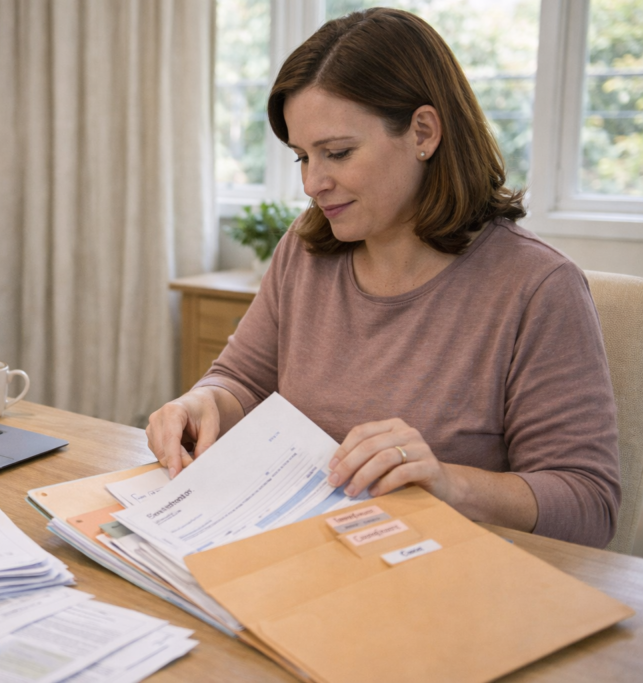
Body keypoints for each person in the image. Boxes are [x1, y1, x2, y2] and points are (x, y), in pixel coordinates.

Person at [146, 8, 620, 548]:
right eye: (302, 157)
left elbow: (589, 506)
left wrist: (445, 483)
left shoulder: (538, 288)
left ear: (423, 131)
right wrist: (201, 403)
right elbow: (243, 381)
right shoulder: (305, 250)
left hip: (442, 583)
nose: (312, 183)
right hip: (301, 555)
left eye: (338, 153)